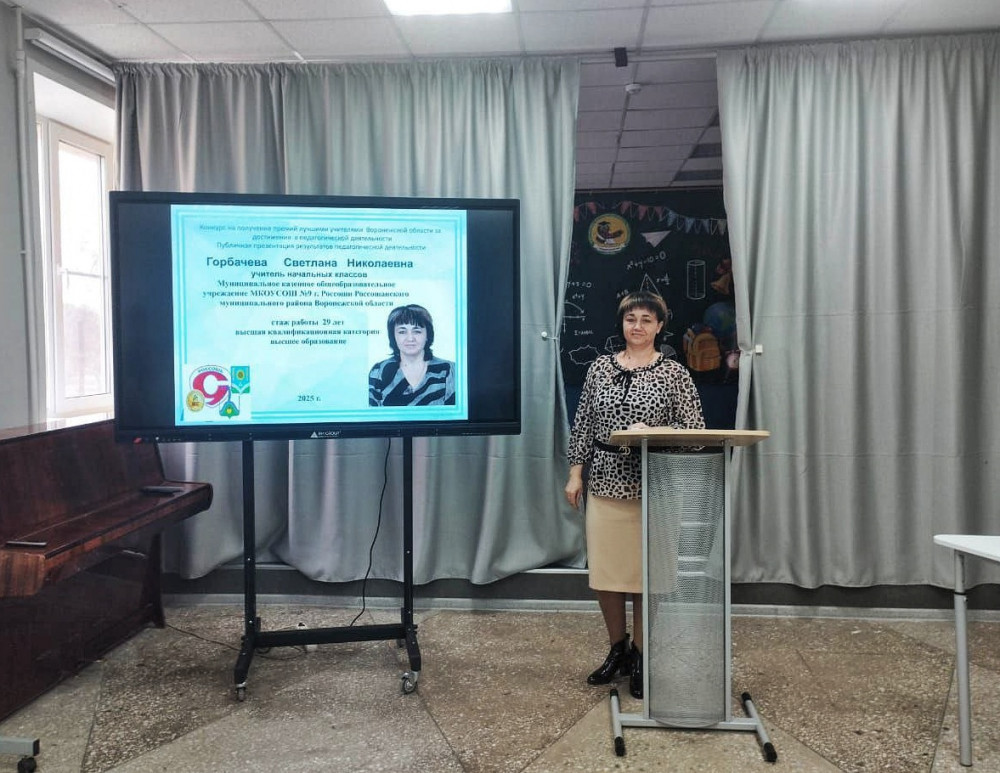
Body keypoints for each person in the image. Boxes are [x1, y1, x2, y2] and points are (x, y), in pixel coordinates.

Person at [565, 291, 705, 699]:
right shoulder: (599, 368)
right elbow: (583, 424)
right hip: (605, 482)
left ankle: (643, 653)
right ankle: (618, 649)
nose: (638, 326)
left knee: (649, 574)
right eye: (631, 319)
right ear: (622, 323)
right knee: (606, 573)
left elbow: (695, 430)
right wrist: (575, 474)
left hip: (656, 484)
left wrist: (655, 433)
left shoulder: (674, 373)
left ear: (659, 326)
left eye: (646, 319)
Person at [369, 304, 455, 406]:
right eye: (402, 332)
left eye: (417, 331)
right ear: (393, 336)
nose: (410, 338)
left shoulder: (450, 370)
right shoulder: (379, 371)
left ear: (428, 335)